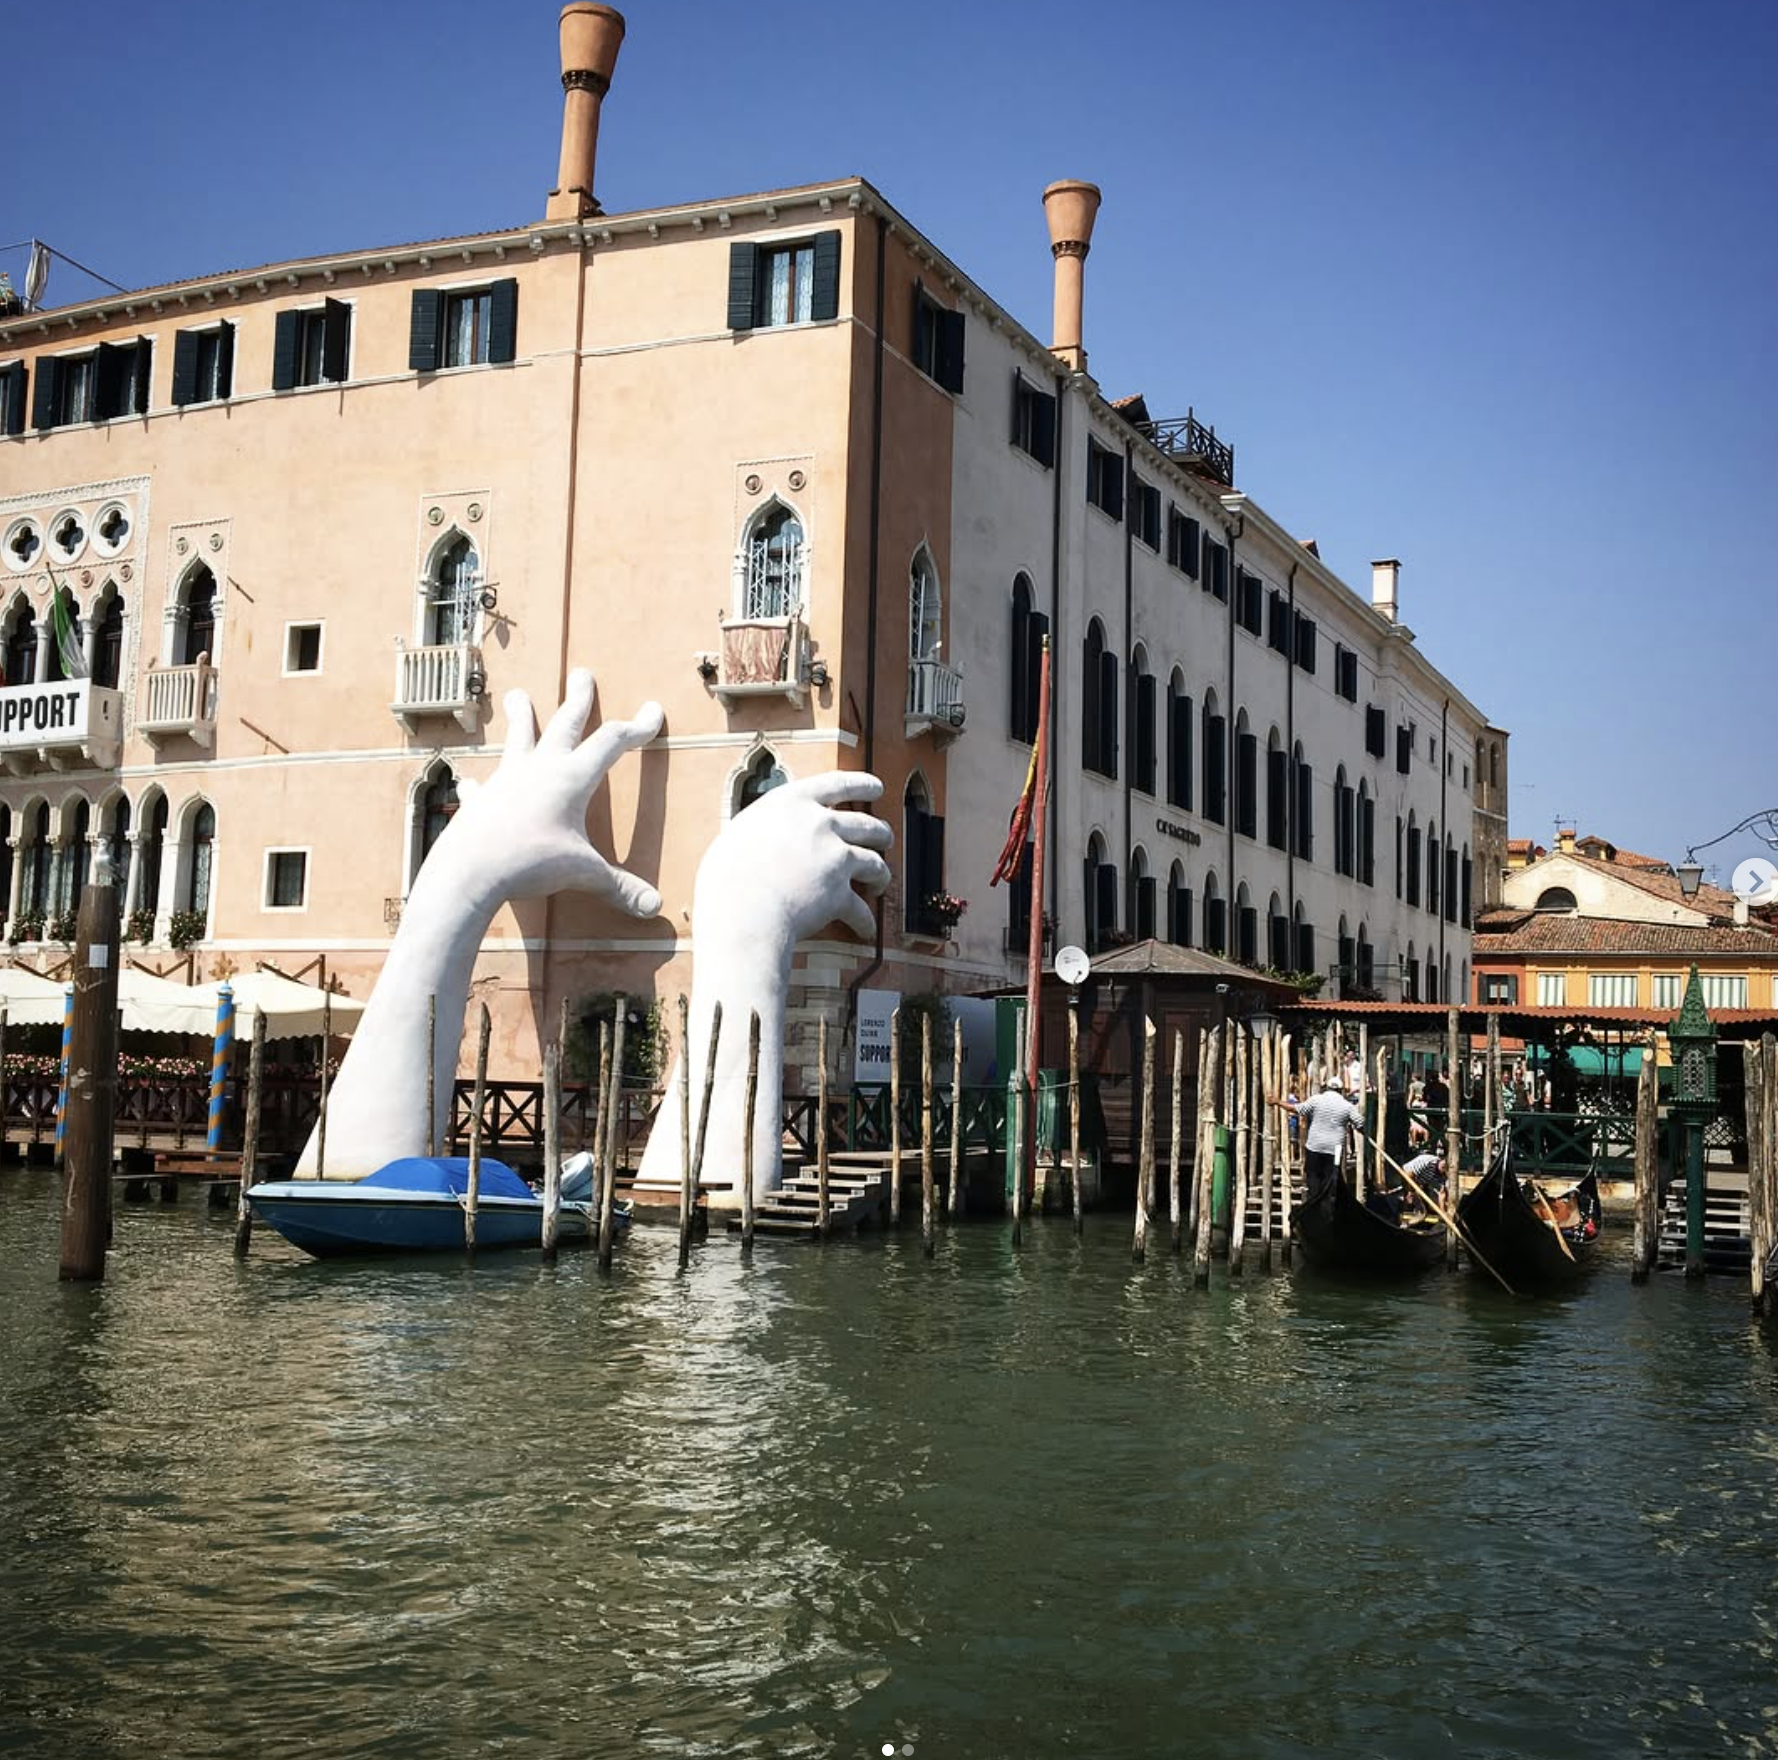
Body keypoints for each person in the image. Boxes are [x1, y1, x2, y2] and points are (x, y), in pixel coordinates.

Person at [1276, 1076, 1365, 1196]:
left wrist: (1277, 1102)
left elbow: (1297, 1109)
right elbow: (1360, 1122)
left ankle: (1313, 1202)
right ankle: (1328, 1205)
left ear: (1327, 1088)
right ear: (1341, 1090)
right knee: (1330, 1181)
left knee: (1313, 1179)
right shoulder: (1347, 1106)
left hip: (1315, 1146)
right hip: (1334, 1150)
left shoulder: (1317, 1100)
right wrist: (1358, 1128)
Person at [1399, 1148, 1446, 1214]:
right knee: (1410, 1201)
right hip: (1407, 1174)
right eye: (1443, 1165)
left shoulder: (1443, 1174)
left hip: (1422, 1181)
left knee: (1425, 1205)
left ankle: (1423, 1210)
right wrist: (1411, 1191)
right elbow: (1409, 1174)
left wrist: (1442, 1211)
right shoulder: (1427, 1161)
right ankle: (1407, 1211)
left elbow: (1442, 1192)